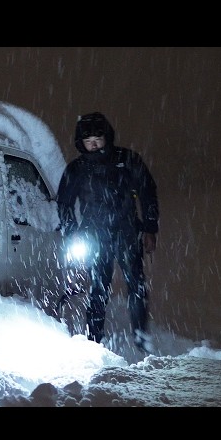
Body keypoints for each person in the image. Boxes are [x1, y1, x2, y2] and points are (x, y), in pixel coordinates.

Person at [56, 112, 159, 353]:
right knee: (98, 288)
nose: (93, 143)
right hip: (94, 236)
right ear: (80, 141)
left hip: (127, 233)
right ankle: (94, 341)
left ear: (107, 137)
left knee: (136, 285)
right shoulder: (77, 169)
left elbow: (148, 192)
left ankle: (142, 338)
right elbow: (64, 203)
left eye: (97, 138)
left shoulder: (127, 160)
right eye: (87, 139)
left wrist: (150, 228)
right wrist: (72, 232)